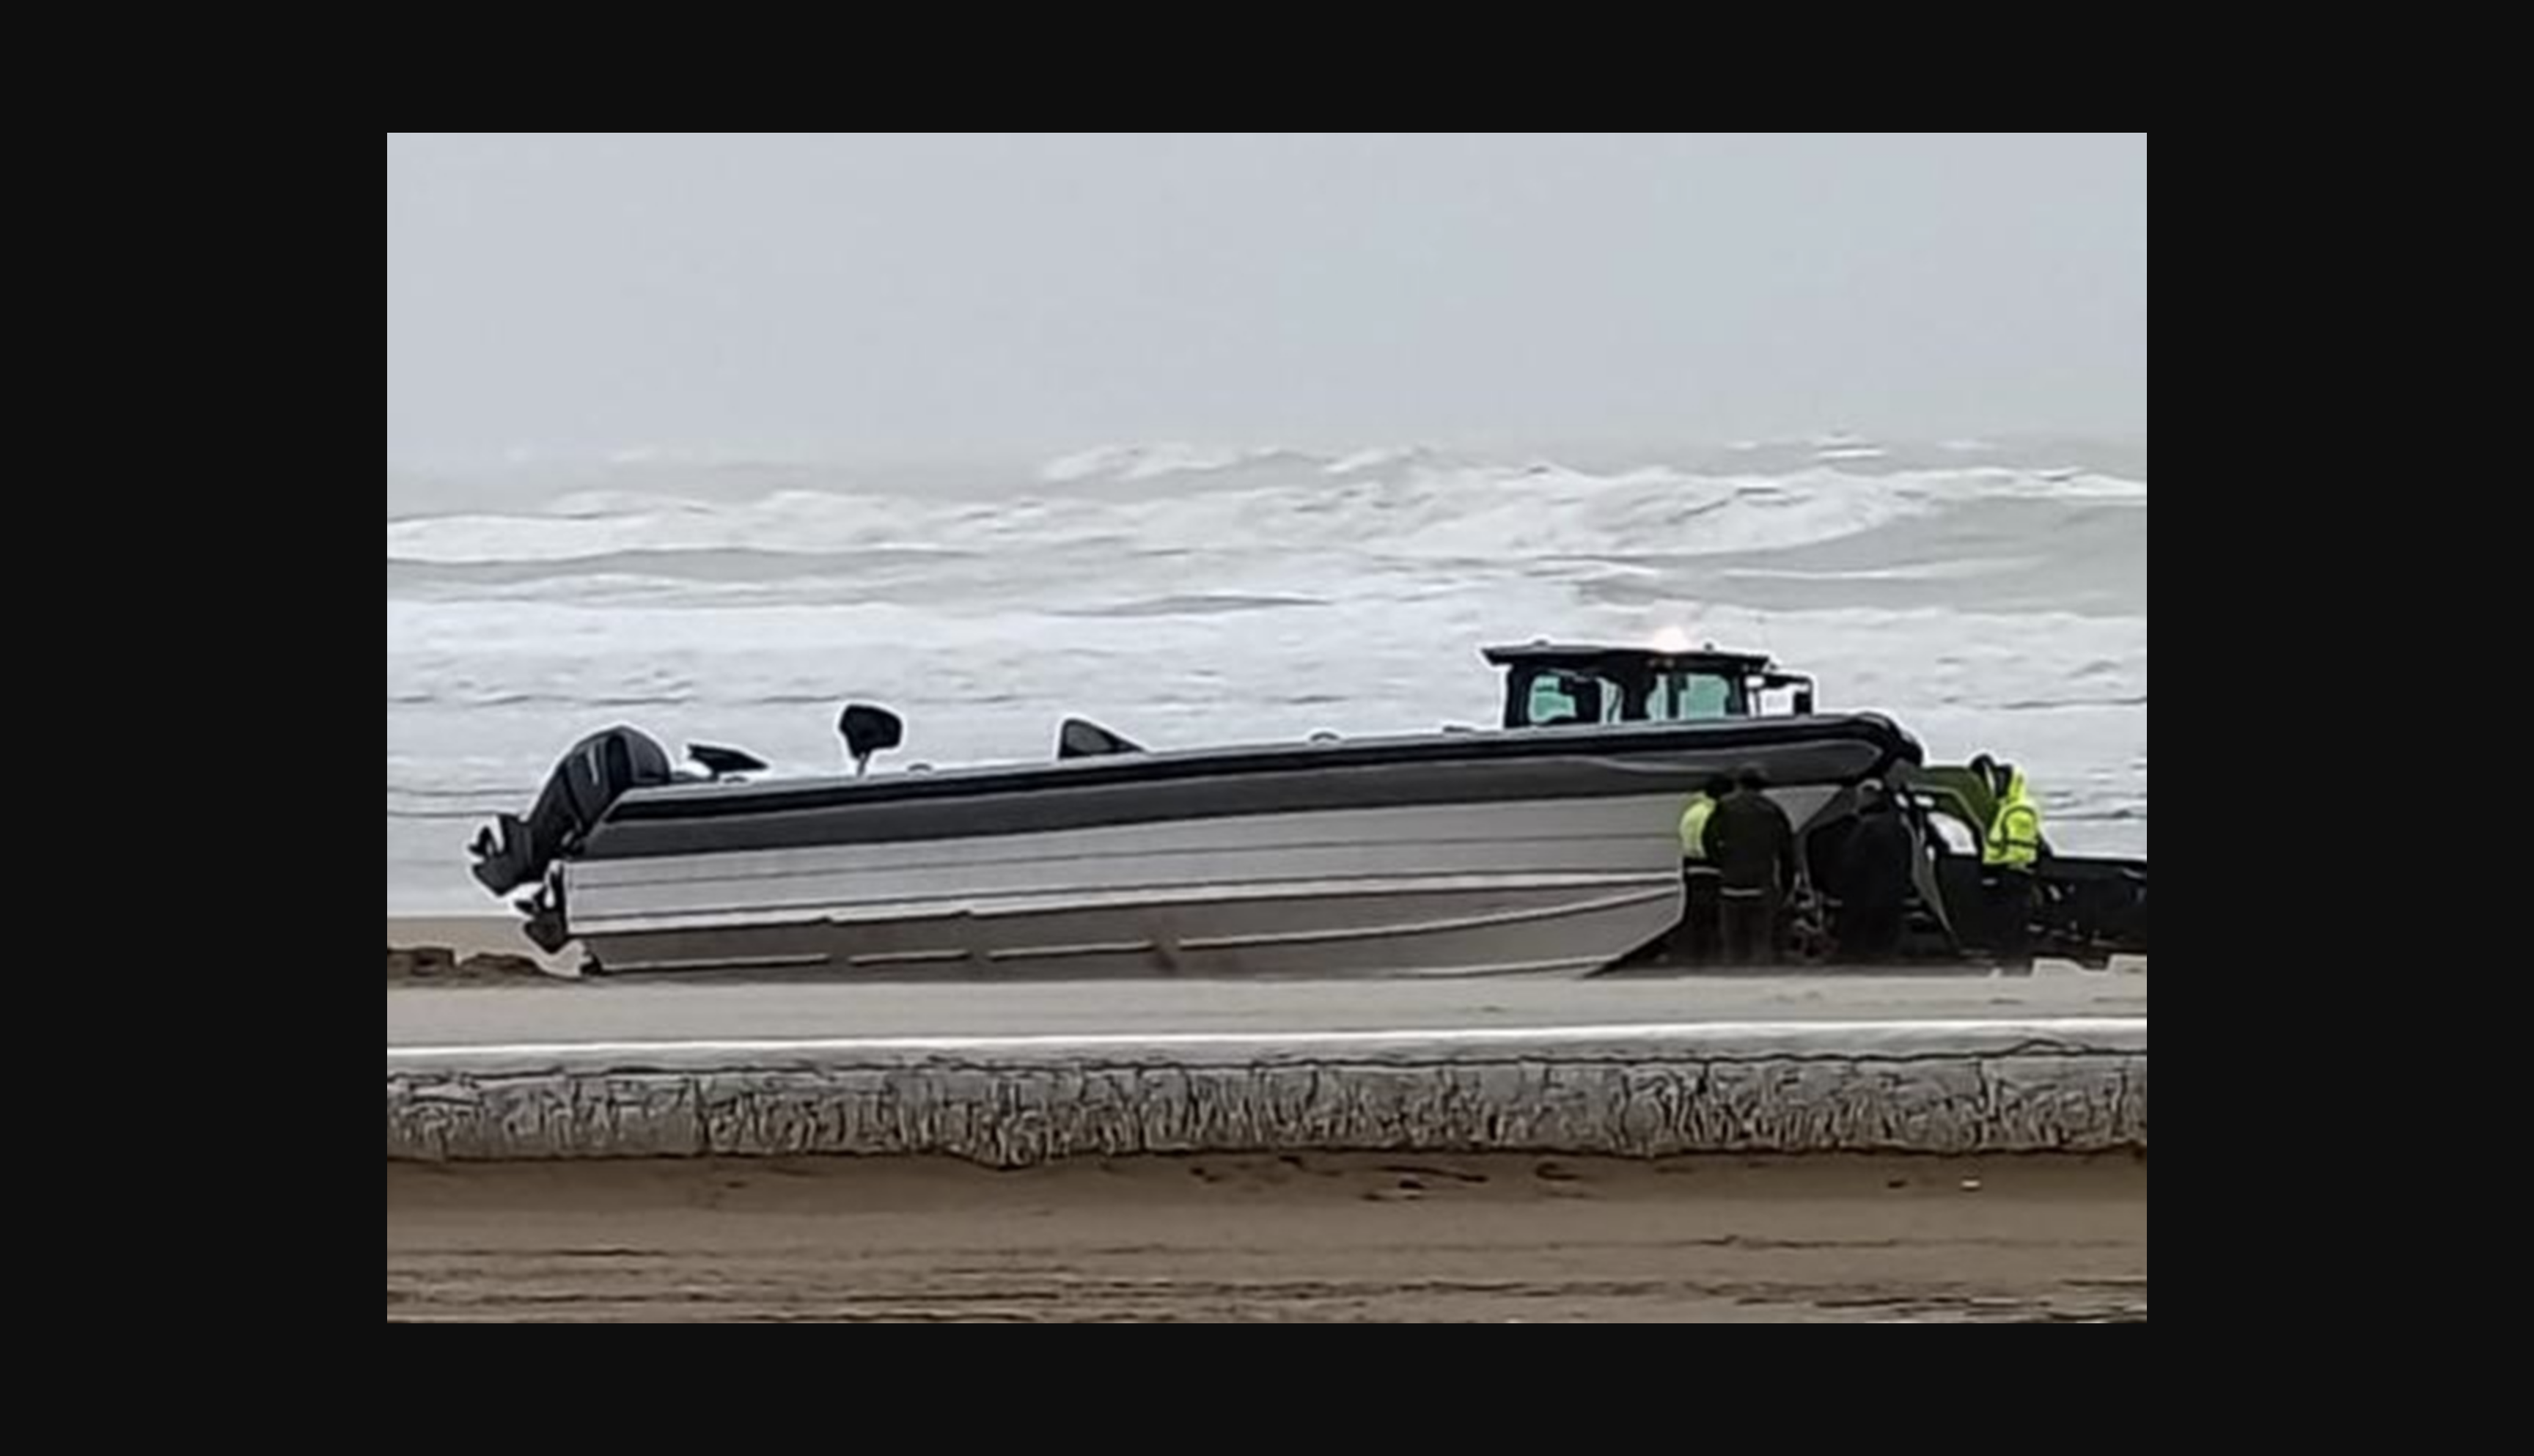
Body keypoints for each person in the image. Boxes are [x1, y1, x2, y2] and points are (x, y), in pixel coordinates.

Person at [1703, 765, 1797, 965]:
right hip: (1762, 886)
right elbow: (1787, 852)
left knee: (1732, 944)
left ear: (1738, 783)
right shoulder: (1772, 810)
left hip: (1731, 886)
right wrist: (1786, 886)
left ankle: (1733, 983)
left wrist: (1722, 863)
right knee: (1762, 942)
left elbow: (1709, 840)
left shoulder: (1724, 807)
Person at [1972, 754, 2044, 974]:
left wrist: (2003, 869)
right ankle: (2010, 962)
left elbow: (2018, 846)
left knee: (2014, 924)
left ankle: (2016, 965)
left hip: (2013, 874)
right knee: (2008, 923)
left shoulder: (2019, 809)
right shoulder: (2008, 808)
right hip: (2008, 873)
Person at [1835, 782, 1915, 964]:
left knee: (1861, 924)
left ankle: (1856, 952)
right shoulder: (1899, 825)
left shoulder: (1866, 826)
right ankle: (1885, 953)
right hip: (1894, 889)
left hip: (1867, 891)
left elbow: (1852, 860)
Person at [1674, 773, 1732, 962]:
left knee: (1692, 914)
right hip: (1709, 866)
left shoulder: (1692, 811)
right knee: (1711, 916)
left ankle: (1689, 953)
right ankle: (1708, 955)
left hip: (1690, 866)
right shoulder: (1714, 811)